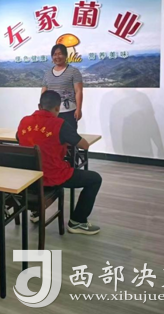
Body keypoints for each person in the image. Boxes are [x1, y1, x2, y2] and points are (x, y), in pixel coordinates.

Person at [17, 91, 102, 235]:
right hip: (52, 176)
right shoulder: (60, 124)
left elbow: (19, 138)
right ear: (58, 108)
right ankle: (77, 221)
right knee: (95, 179)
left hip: (29, 178)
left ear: (39, 106)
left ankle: (36, 211)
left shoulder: (24, 121)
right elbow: (84, 145)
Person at [41, 44, 83, 130]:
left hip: (69, 111)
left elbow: (78, 91)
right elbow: (44, 91)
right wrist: (42, 109)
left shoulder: (73, 71)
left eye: (60, 54)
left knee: (69, 136)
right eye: (54, 54)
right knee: (52, 135)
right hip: (51, 112)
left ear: (65, 55)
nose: (57, 57)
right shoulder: (47, 73)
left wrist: (78, 109)